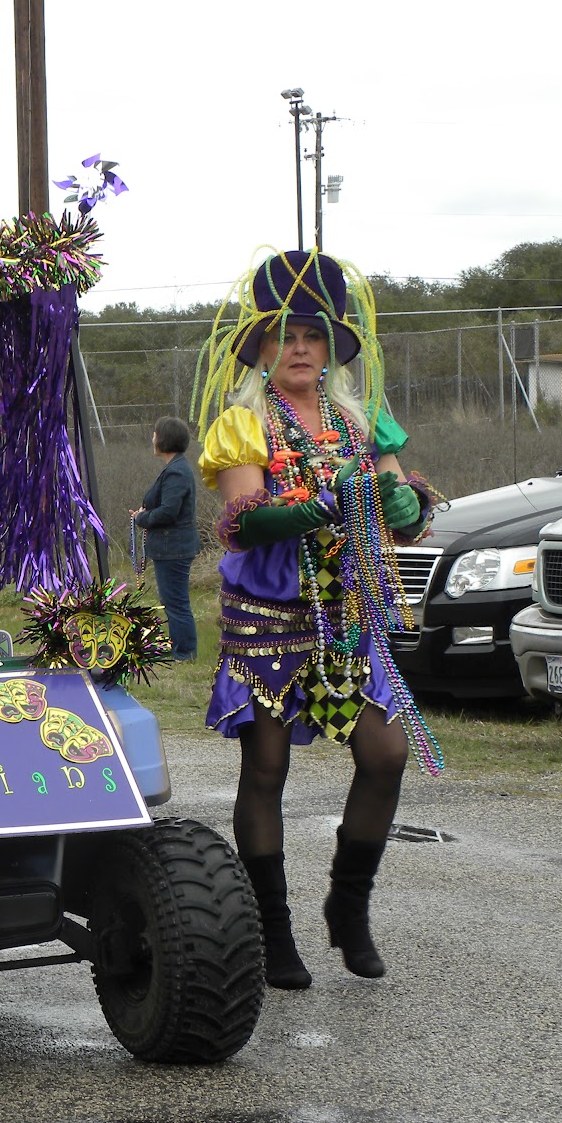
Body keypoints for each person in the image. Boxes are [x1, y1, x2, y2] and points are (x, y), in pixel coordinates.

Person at [193, 249, 440, 991]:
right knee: (267, 769)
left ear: (332, 348)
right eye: (285, 335)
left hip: (348, 615)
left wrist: (409, 505)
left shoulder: (364, 424)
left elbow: (403, 512)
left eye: (313, 335)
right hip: (270, 615)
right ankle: (274, 930)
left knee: (387, 756)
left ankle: (348, 905)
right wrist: (302, 509)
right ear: (262, 350)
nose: (300, 347)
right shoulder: (244, 423)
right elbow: (239, 521)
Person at [131, 415, 200, 661]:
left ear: (165, 438)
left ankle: (185, 653)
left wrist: (142, 519)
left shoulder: (177, 472)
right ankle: (179, 648)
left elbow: (170, 511)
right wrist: (145, 513)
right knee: (172, 600)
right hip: (171, 546)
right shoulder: (175, 468)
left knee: (176, 601)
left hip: (175, 547)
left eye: (155, 433)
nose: (152, 437)